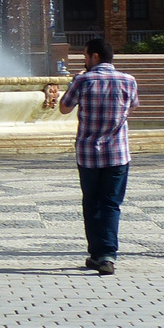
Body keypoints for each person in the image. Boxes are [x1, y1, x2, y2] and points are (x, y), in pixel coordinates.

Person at [59, 37, 140, 275]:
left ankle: (96, 253)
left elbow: (64, 107)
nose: (84, 61)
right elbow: (132, 107)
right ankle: (107, 254)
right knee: (111, 204)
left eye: (85, 56)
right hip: (117, 152)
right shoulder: (128, 80)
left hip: (88, 153)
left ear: (95, 56)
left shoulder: (82, 80)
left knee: (91, 202)